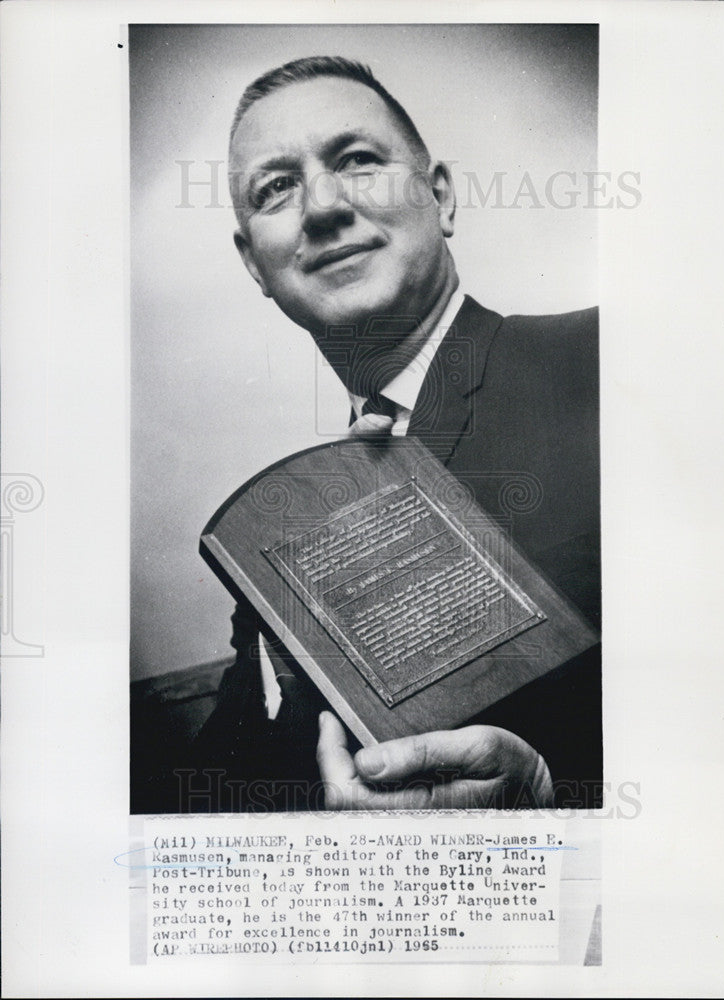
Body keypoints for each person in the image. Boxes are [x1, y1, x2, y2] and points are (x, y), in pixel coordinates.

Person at [189, 56, 601, 812]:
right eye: (275, 189)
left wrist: (550, 793)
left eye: (356, 161)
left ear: (440, 197)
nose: (321, 207)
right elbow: (217, 789)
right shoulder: (280, 521)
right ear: (255, 262)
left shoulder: (609, 361)